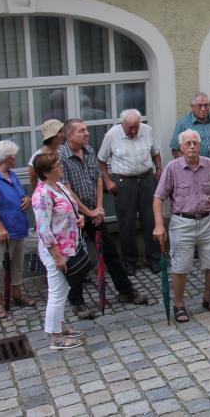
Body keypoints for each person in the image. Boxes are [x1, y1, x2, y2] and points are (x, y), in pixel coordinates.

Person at [59, 119, 149, 319]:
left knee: (110, 252)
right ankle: (77, 301)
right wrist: (87, 213)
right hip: (73, 216)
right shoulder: (61, 157)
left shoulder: (89, 151)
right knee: (77, 259)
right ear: (69, 136)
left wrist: (98, 208)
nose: (86, 133)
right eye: (81, 131)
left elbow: (98, 179)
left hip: (93, 212)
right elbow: (67, 190)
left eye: (87, 130)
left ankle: (125, 290)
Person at [153, 130, 210, 323]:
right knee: (181, 266)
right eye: (188, 143)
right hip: (182, 222)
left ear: (200, 145)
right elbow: (158, 198)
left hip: (209, 219)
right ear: (181, 147)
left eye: (195, 143)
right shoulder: (172, 168)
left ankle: (208, 297)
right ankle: (179, 304)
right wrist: (159, 225)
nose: (192, 147)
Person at [97, 109, 163, 275]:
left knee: (151, 220)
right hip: (124, 182)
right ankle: (129, 262)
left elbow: (155, 152)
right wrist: (108, 181)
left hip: (146, 179)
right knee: (127, 224)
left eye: (136, 127)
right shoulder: (112, 135)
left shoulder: (147, 131)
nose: (134, 131)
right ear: (122, 124)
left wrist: (159, 168)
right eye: (130, 128)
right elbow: (101, 160)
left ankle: (154, 259)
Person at [31, 152, 86, 349]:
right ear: (46, 172)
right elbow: (44, 228)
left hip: (69, 247)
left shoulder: (59, 186)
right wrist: (56, 256)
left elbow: (70, 210)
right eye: (56, 165)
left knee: (63, 289)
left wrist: (79, 219)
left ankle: (60, 325)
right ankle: (55, 337)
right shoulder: (42, 194)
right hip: (56, 252)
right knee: (57, 292)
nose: (61, 167)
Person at [0, 140, 35, 319]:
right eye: (14, 156)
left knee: (17, 264)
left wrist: (26, 198)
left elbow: (19, 194)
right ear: (7, 157)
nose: (16, 159)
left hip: (17, 228)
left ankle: (16, 293)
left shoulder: (11, 175)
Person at [169, 91, 210, 249]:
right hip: (196, 174)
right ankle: (198, 244)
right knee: (201, 206)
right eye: (200, 106)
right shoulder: (184, 123)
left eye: (207, 105)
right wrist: (186, 167)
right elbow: (175, 149)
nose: (204, 109)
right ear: (192, 107)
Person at [28, 119, 65, 189]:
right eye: (59, 132)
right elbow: (33, 180)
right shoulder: (38, 157)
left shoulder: (64, 150)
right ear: (51, 136)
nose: (63, 134)